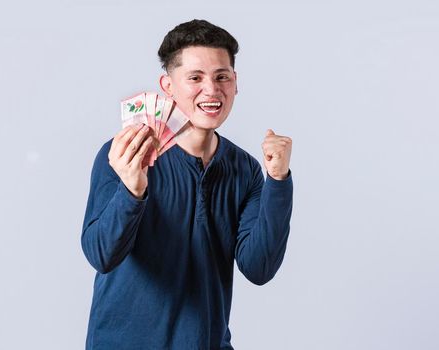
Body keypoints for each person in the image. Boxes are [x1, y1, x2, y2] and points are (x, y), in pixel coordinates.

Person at [81, 19, 293, 349]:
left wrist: (278, 182)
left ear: (235, 83)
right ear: (167, 85)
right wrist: (132, 191)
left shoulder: (246, 170)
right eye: (195, 78)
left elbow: (259, 267)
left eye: (222, 77)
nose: (211, 90)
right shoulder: (122, 154)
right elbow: (101, 254)